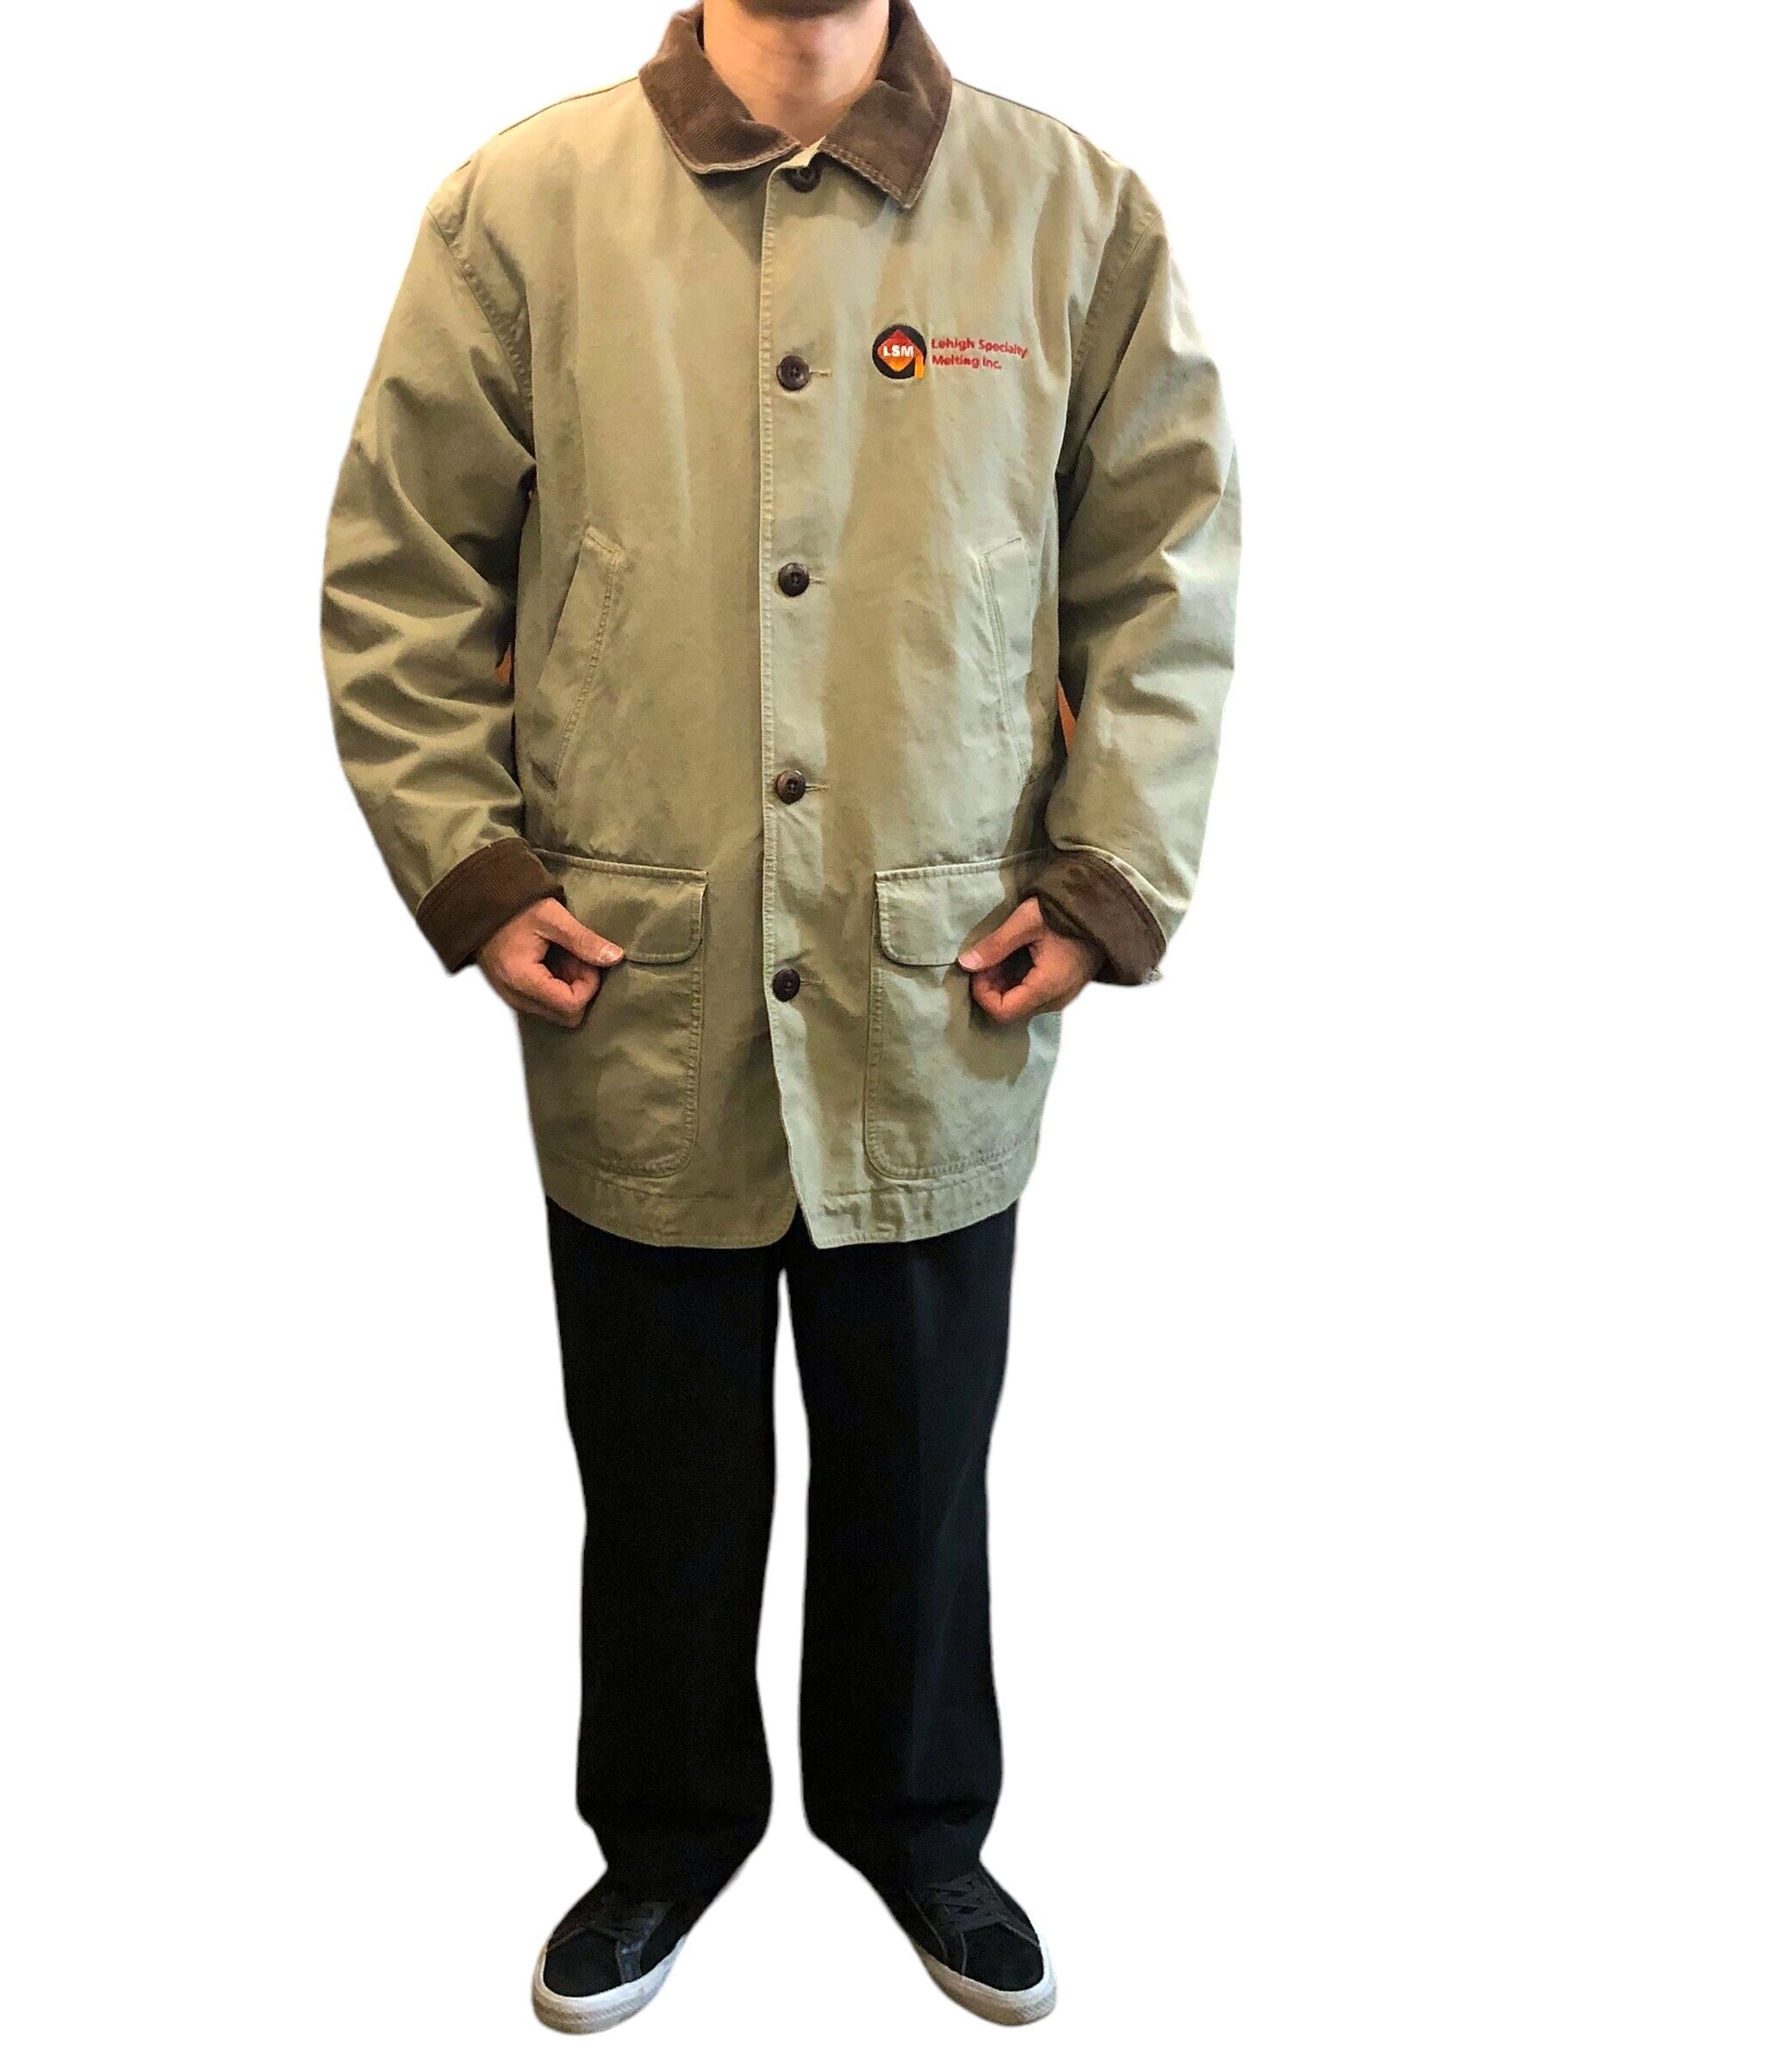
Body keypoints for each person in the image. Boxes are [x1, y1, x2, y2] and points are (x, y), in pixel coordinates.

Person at [320, 0, 1238, 2031]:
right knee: (657, 1461)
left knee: (919, 1455)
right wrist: (476, 871)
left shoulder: (1069, 212)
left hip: (943, 961)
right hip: (635, 958)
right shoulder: (526, 209)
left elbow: (1162, 566)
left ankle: (916, 1823)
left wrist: (1106, 874)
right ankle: (662, 1834)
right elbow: (405, 567)